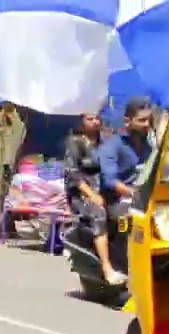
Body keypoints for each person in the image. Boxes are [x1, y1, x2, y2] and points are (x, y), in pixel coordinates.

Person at [64, 112, 126, 285]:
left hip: (105, 190)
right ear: (81, 121)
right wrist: (92, 195)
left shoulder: (107, 139)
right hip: (82, 193)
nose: (95, 122)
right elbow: (73, 175)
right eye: (90, 119)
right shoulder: (75, 142)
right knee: (98, 214)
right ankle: (107, 268)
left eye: (97, 118)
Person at [99, 97, 154, 264]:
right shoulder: (113, 145)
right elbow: (110, 181)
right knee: (133, 222)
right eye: (142, 120)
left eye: (149, 120)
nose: (146, 125)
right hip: (119, 200)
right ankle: (127, 267)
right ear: (127, 121)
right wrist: (134, 193)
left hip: (147, 199)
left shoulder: (150, 147)